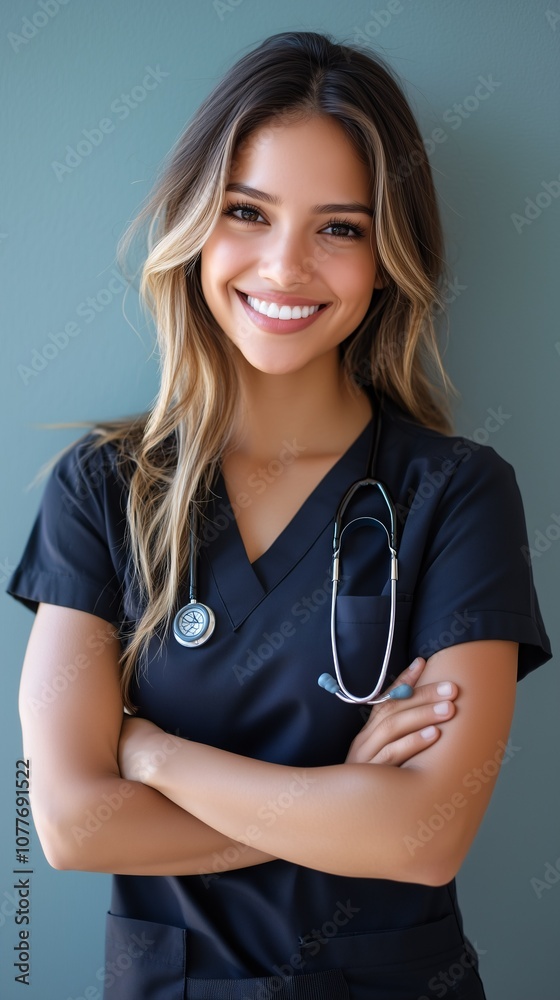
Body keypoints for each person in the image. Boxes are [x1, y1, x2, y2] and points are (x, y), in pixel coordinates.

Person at [7, 30, 552, 1000]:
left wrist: (151, 752)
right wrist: (343, 806)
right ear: (195, 225)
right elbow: (72, 826)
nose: (285, 265)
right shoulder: (102, 489)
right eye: (246, 212)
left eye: (338, 228)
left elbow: (423, 839)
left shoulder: (457, 494)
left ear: (387, 259)